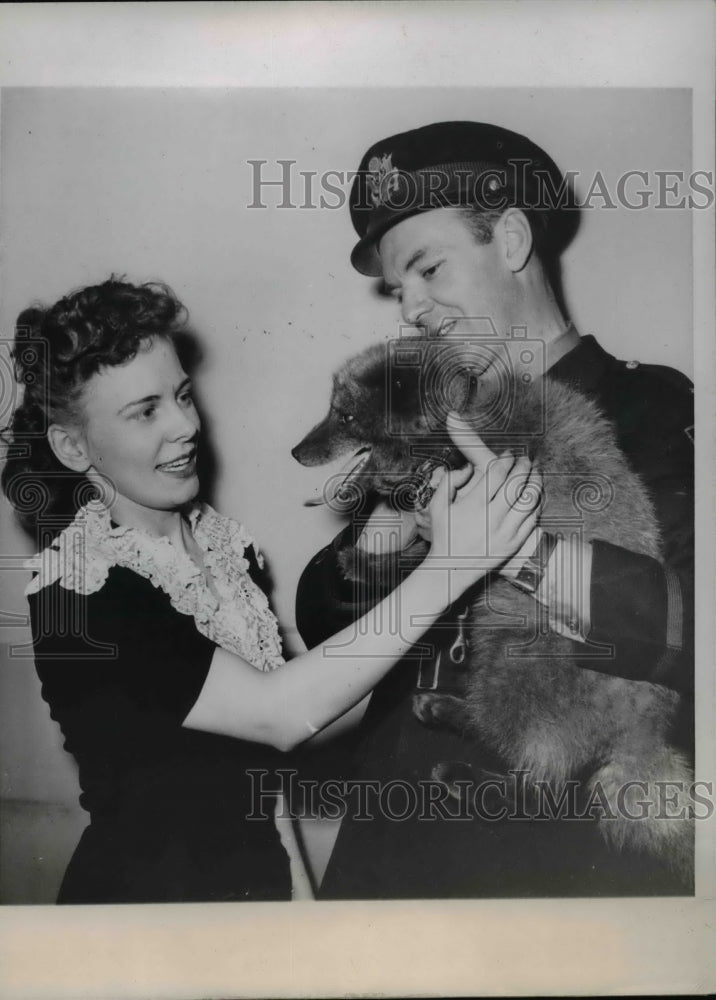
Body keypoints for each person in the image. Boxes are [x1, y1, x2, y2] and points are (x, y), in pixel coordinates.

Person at [0, 276, 540, 904]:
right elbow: (280, 714)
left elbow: (262, 774)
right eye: (145, 411)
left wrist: (300, 908)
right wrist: (455, 563)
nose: (184, 426)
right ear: (72, 446)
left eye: (181, 395)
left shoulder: (223, 548)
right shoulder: (80, 593)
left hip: (253, 898)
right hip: (147, 920)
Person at [295, 121, 695, 898]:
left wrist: (514, 548)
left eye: (428, 268)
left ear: (511, 237)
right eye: (395, 288)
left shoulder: (654, 408)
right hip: (385, 856)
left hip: (547, 870)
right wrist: (389, 537)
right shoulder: (434, 418)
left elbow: (688, 627)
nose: (410, 308)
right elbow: (325, 623)